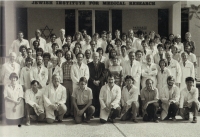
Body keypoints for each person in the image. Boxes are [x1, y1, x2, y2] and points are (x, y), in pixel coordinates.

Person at [88, 52, 105, 117]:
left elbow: (103, 75)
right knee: (93, 98)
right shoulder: (89, 65)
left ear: (99, 57)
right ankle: (93, 113)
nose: (95, 57)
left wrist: (98, 81)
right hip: (92, 84)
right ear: (92, 57)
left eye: (97, 56)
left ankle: (98, 113)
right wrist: (93, 81)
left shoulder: (102, 65)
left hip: (99, 84)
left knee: (99, 98)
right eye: (94, 56)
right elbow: (88, 75)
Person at [62, 50, 74, 117]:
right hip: (65, 81)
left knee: (72, 97)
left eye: (69, 54)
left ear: (71, 55)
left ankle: (72, 112)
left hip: (72, 81)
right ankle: (67, 112)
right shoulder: (63, 64)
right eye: (67, 55)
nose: (68, 56)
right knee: (66, 97)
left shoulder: (73, 63)